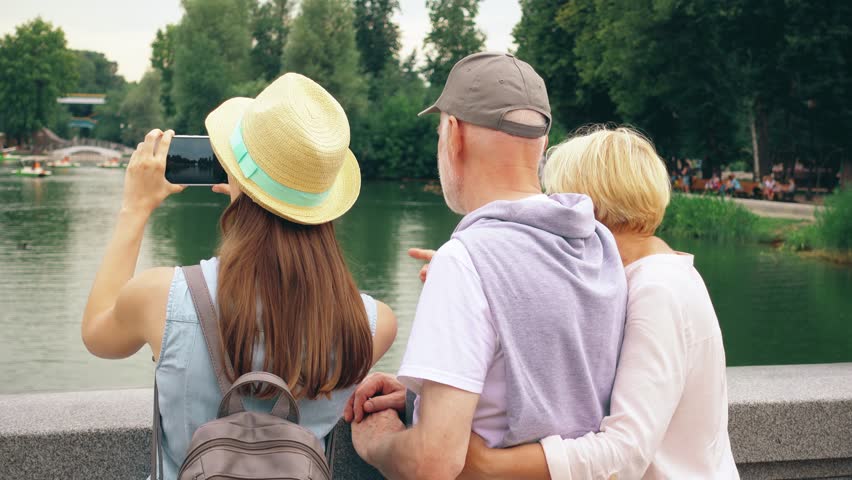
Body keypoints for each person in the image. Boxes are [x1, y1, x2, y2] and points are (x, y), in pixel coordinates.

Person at [80, 73, 397, 480]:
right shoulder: (372, 325)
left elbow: (98, 333)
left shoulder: (163, 297)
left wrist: (134, 209)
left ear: (234, 174)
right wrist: (248, 190)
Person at [345, 52, 627, 480]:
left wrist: (377, 440)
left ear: (453, 133)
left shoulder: (465, 260)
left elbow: (434, 462)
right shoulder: (597, 243)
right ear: (543, 142)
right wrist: (425, 393)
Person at [458, 126, 738, 479]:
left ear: (592, 208)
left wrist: (488, 465)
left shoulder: (656, 291)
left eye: (558, 200)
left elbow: (626, 450)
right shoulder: (647, 275)